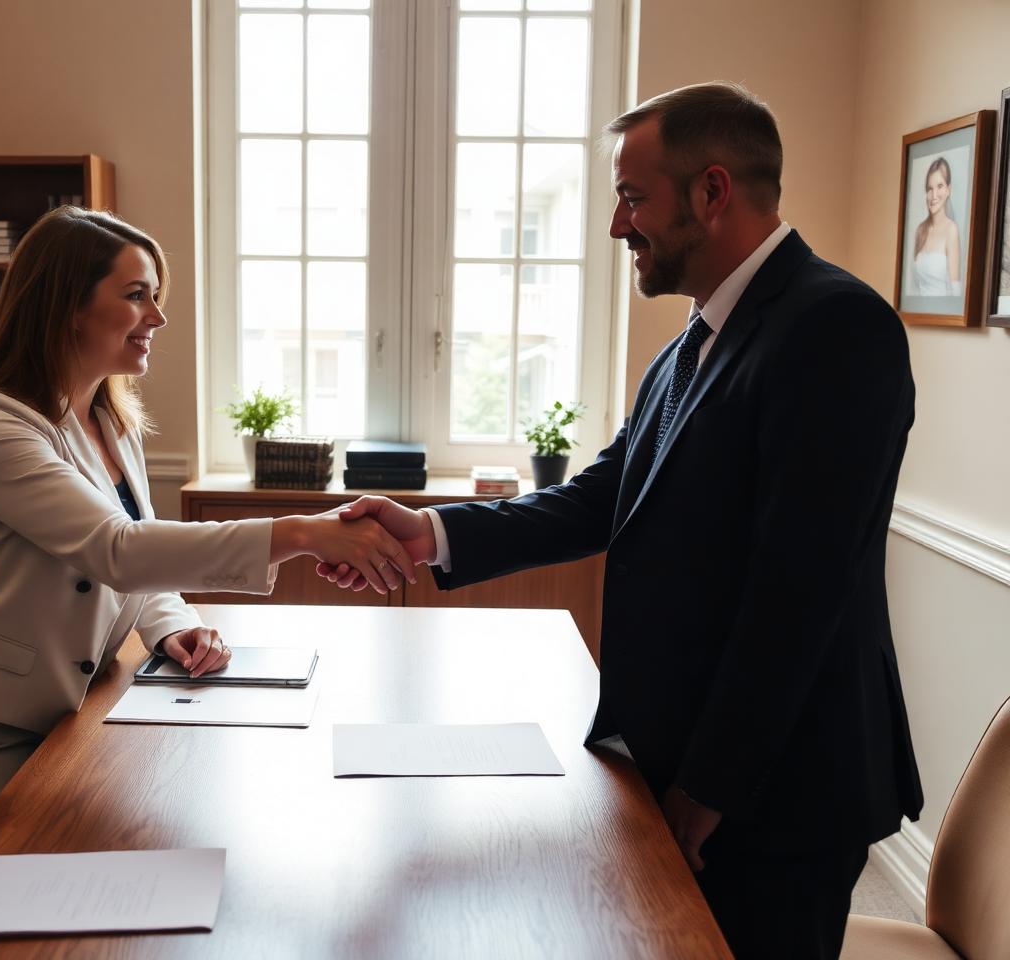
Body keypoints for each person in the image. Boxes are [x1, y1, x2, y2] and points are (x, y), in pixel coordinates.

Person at [320, 83, 923, 959]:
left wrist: (706, 789)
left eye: (634, 198)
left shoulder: (837, 327)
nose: (615, 226)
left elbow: (796, 592)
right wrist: (435, 534)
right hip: (686, 756)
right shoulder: (695, 339)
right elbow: (607, 495)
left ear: (713, 192)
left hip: (778, 787)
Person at [0, 207, 416, 840]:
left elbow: (143, 565)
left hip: (78, 716)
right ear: (66, 304)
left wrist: (173, 627)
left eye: (156, 297)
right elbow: (115, 550)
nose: (158, 317)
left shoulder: (108, 419)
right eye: (136, 297)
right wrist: (300, 531)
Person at [910, 156, 962, 296]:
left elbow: (955, 288)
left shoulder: (951, 230)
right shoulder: (920, 230)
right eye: (929, 188)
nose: (934, 195)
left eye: (940, 186)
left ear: (948, 189)